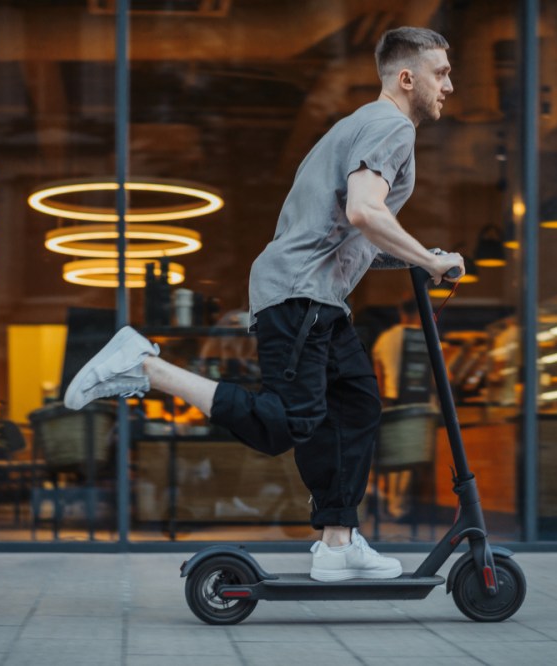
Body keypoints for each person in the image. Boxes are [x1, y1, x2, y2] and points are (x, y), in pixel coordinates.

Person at [64, 26, 463, 581]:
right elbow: (366, 214)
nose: (449, 84)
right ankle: (146, 366)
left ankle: (338, 542)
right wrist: (428, 258)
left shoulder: (356, 125)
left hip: (317, 295)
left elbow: (351, 234)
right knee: (285, 423)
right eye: (441, 73)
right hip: (300, 292)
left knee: (356, 405)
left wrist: (420, 257)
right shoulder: (391, 126)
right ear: (406, 77)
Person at [371, 298, 431, 520]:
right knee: (406, 457)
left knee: (389, 453)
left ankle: (387, 500)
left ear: (401, 312)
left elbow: (377, 373)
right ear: (420, 312)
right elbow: (438, 374)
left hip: (388, 399)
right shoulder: (425, 337)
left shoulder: (385, 338)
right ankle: (398, 507)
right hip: (416, 400)